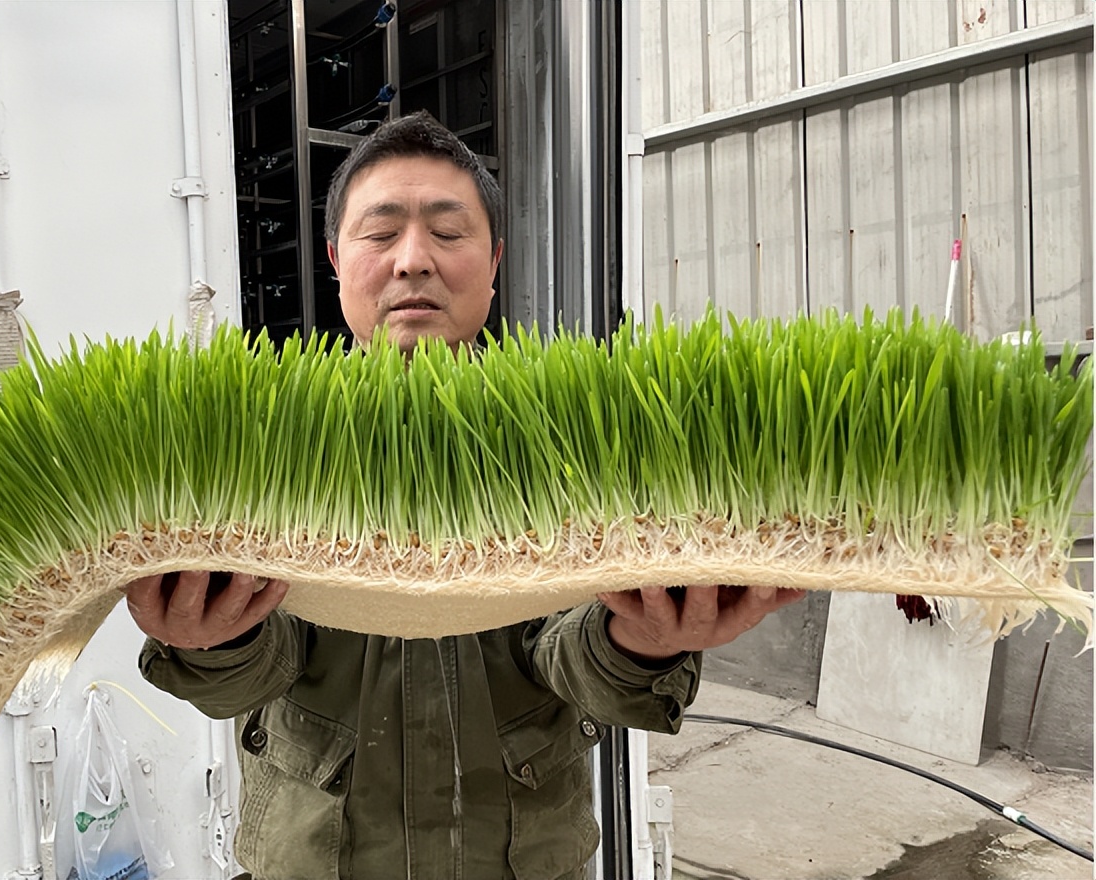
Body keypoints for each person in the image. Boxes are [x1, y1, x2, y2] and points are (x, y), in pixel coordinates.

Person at [125, 111, 804, 880]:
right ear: (335, 261)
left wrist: (642, 643)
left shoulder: (572, 434)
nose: (413, 260)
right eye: (380, 234)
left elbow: (571, 660)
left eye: (449, 233)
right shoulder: (256, 440)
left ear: (494, 261)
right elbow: (264, 672)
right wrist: (217, 639)